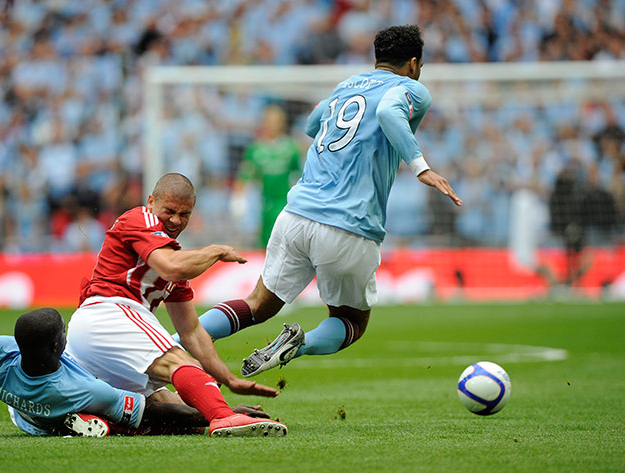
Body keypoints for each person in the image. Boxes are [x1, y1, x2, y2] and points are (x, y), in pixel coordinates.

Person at [188, 25, 463, 377]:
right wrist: (420, 167)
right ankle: (296, 345)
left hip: (296, 215)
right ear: (413, 63)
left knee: (257, 304)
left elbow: (311, 124)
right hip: (348, 224)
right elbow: (389, 114)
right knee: (350, 321)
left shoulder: (345, 86)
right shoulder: (411, 88)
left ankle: (174, 342)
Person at [0, 234, 272, 437]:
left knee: (146, 389)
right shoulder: (83, 387)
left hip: (24, 417)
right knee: (144, 414)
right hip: (67, 406)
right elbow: (153, 414)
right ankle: (89, 422)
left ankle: (81, 421)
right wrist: (210, 414)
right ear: (60, 346)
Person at [65, 173, 288, 437]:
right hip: (108, 314)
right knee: (179, 363)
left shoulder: (174, 255)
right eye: (169, 211)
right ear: (151, 201)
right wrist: (215, 251)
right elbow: (170, 267)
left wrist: (228, 380)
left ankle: (95, 422)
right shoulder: (139, 218)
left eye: (184, 214)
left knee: (169, 410)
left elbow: (191, 331)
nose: (175, 220)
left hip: (96, 339)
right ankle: (224, 418)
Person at [236, 104, 303, 248]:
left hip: (285, 205)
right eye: (269, 121)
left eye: (277, 121)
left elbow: (299, 177)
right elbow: (245, 177)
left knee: (286, 247)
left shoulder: (292, 148)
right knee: (265, 246)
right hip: (263, 206)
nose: (273, 125)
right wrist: (239, 203)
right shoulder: (255, 149)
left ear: (283, 123)